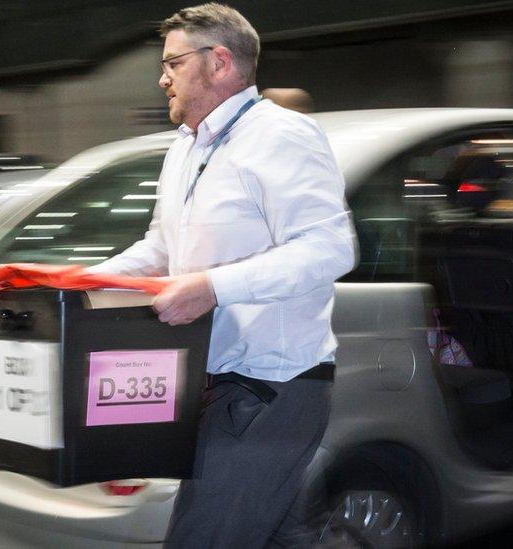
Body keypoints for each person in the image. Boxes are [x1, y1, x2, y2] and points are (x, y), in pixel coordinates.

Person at [86, 4, 356, 547]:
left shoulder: (281, 134)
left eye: (173, 63)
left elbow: (331, 248)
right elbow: (162, 247)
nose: (162, 78)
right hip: (215, 385)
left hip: (272, 388)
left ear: (221, 63)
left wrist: (212, 288)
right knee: (283, 536)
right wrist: (78, 279)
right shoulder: (186, 148)